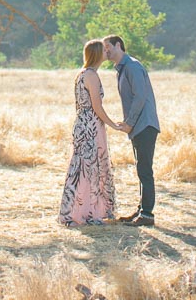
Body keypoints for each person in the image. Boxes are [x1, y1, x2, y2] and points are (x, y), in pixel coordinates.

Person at [58, 39, 119, 226]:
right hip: (90, 125)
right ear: (97, 53)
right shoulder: (91, 75)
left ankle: (84, 210)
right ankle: (87, 212)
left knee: (84, 166)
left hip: (84, 123)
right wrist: (113, 124)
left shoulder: (82, 74)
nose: (106, 52)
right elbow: (96, 106)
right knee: (90, 166)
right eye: (104, 50)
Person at [102, 34, 159, 227]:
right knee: (141, 168)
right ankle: (141, 210)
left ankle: (148, 215)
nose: (106, 51)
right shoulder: (122, 69)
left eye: (108, 47)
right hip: (138, 126)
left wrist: (129, 122)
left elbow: (140, 97)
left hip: (144, 125)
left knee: (145, 170)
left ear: (119, 45)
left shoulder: (132, 66)